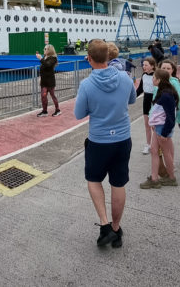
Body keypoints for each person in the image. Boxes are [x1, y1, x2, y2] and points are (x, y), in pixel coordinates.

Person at [74, 39, 136, 248]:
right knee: (118, 183)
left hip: (99, 141)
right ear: (109, 56)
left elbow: (78, 114)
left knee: (93, 179)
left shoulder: (87, 85)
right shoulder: (125, 78)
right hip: (122, 138)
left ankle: (104, 225)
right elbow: (132, 100)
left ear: (89, 59)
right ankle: (117, 230)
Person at [139, 68, 177, 188]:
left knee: (166, 153)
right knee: (154, 151)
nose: (152, 79)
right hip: (158, 127)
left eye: (154, 78)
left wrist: (164, 133)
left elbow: (171, 117)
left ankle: (171, 178)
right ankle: (154, 179)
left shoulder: (167, 95)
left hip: (162, 129)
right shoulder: (163, 91)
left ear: (159, 80)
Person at [136, 57, 157, 155]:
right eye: (143, 65)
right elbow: (140, 89)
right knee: (147, 125)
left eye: (146, 65)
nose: (143, 67)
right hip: (146, 101)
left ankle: (157, 145)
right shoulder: (144, 75)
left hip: (156, 102)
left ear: (152, 66)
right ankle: (148, 144)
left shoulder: (157, 75)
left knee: (155, 126)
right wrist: (130, 98)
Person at [35, 44, 61, 117]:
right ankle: (44, 111)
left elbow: (47, 65)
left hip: (50, 81)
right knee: (43, 96)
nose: (44, 50)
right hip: (44, 81)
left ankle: (57, 110)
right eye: (44, 49)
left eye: (45, 49)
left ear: (49, 50)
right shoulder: (45, 57)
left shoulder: (53, 58)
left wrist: (40, 58)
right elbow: (43, 66)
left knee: (52, 95)